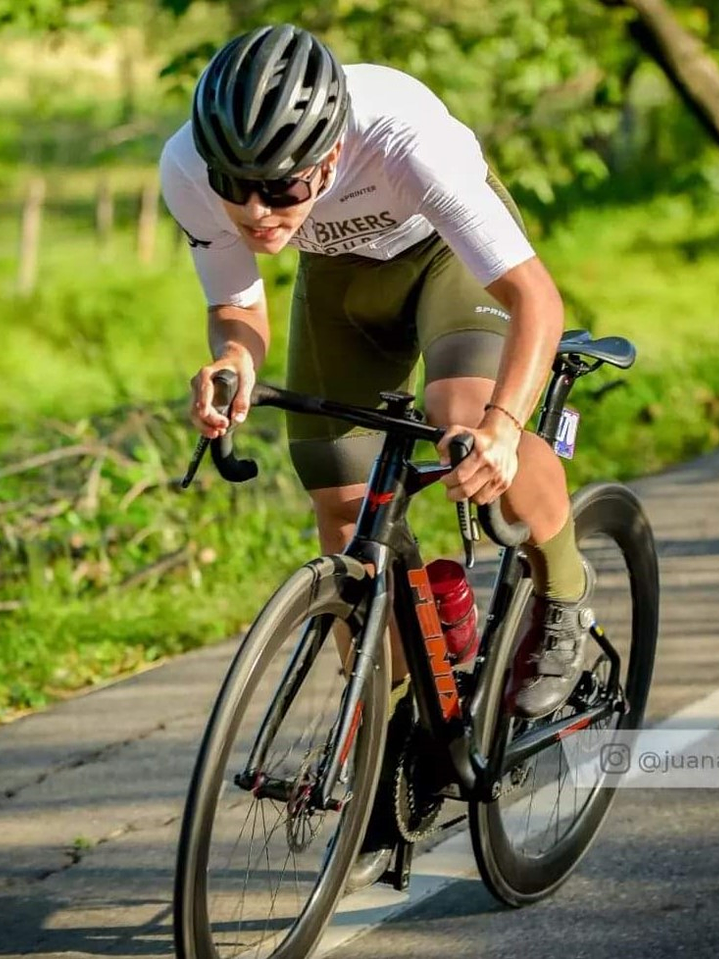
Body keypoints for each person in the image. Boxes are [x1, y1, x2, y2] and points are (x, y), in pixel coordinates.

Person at [160, 23, 595, 888]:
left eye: (282, 188)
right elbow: (237, 306)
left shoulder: (404, 139)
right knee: (338, 494)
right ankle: (390, 732)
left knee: (461, 415)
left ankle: (565, 594)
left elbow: (533, 298)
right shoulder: (188, 167)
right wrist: (233, 361)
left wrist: (503, 424)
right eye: (237, 186)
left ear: (329, 155)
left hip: (447, 261)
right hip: (340, 281)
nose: (256, 211)